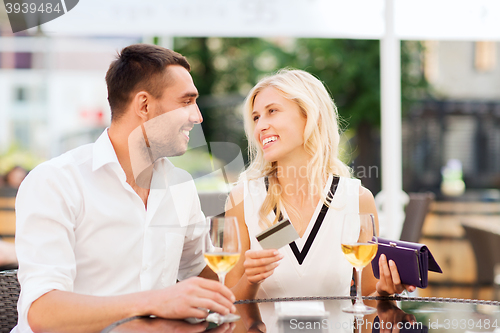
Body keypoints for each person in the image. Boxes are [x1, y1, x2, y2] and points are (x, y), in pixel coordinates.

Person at [13, 44, 236, 333]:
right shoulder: (56, 182)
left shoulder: (180, 186)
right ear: (144, 106)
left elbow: (204, 274)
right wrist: (154, 302)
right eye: (186, 102)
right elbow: (43, 313)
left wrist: (252, 261)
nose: (197, 116)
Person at [225, 69, 415, 331]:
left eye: (272, 111)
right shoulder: (242, 199)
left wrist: (386, 291)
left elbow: (370, 301)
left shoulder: (357, 199)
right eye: (256, 117)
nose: (260, 126)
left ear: (309, 115)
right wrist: (250, 279)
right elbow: (227, 308)